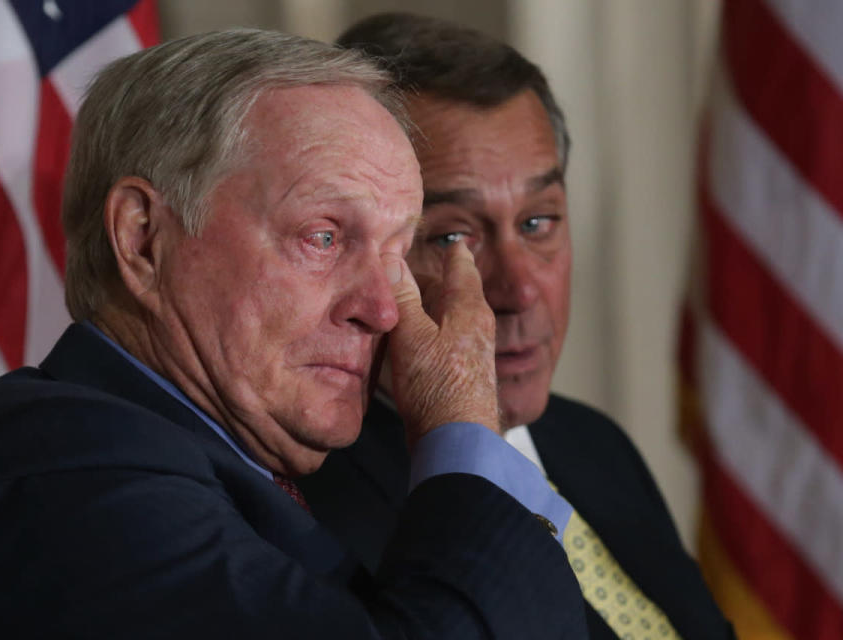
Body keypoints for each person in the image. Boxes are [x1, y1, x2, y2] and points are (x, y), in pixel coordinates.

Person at [0, 29, 590, 639]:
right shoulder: (55, 472)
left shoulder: (207, 462)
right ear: (143, 239)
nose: (383, 309)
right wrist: (460, 427)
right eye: (323, 236)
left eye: (398, 254)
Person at [297, 13, 735, 640]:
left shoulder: (591, 443)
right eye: (452, 236)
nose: (520, 288)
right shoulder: (313, 509)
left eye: (539, 222)